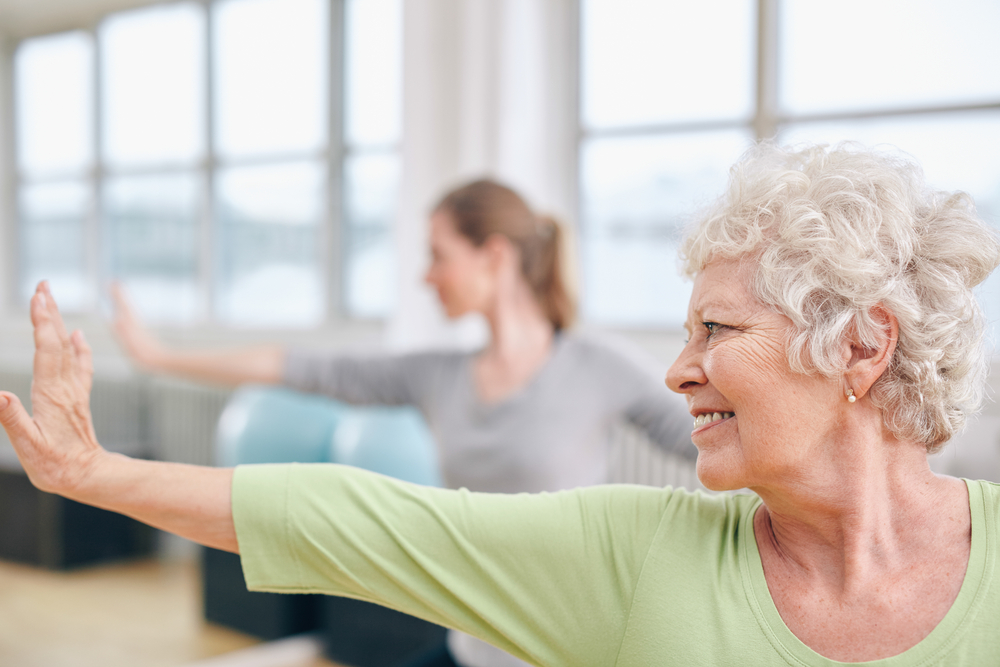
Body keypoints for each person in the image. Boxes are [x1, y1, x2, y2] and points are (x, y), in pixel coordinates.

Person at [5, 142, 1000, 665]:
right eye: (685, 332)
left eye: (717, 333)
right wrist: (97, 467)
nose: (678, 368)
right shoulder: (638, 553)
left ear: (864, 346)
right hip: (481, 630)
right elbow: (359, 511)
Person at [110, 179, 696, 667]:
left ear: (494, 255)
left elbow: (708, 441)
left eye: (438, 255)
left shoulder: (601, 366)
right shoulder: (437, 375)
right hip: (474, 645)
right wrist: (161, 358)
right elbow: (302, 367)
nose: (425, 275)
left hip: (568, 648)